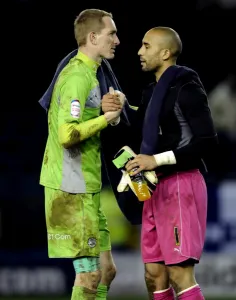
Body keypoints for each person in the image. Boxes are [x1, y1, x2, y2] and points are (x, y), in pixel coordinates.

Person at [122, 27, 218, 299]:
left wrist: (155, 159)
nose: (140, 52)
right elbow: (144, 132)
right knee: (154, 276)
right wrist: (121, 111)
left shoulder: (187, 87)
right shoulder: (151, 93)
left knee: (179, 274)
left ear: (165, 53)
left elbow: (207, 142)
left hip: (181, 184)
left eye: (146, 46)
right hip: (153, 187)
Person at [39, 9, 125, 300]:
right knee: (89, 276)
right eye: (111, 33)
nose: (117, 39)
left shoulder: (92, 74)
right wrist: (107, 118)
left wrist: (110, 111)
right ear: (92, 37)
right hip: (69, 187)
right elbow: (66, 135)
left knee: (106, 271)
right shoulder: (77, 76)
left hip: (85, 185)